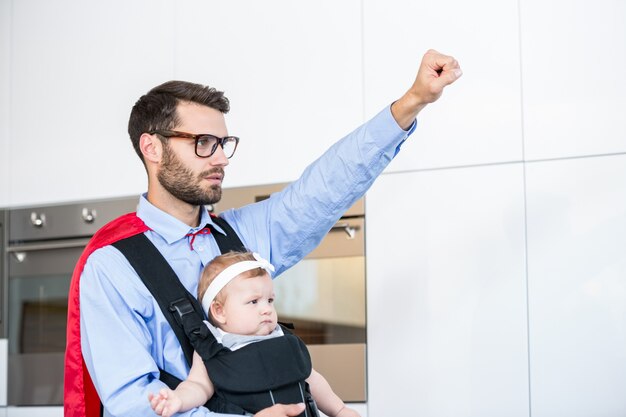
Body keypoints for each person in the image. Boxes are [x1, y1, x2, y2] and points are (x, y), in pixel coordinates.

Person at [64, 48, 462, 417]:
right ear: (152, 148)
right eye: (203, 143)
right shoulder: (112, 268)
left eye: (223, 143)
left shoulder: (241, 235)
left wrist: (412, 102)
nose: (220, 158)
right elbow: (133, 404)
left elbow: (324, 188)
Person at [148, 251, 361, 417]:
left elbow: (311, 378)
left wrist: (339, 409)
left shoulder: (282, 338)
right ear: (219, 311)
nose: (266, 309)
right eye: (253, 302)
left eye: (270, 300)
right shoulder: (212, 348)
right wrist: (178, 399)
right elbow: (198, 386)